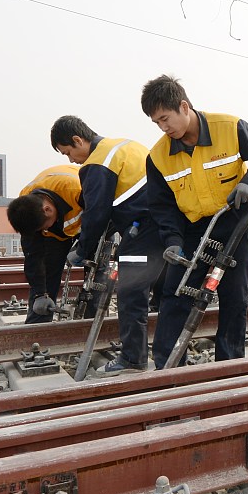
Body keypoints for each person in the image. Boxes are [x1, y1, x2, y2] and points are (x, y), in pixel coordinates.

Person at [141, 75, 248, 369]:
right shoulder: (158, 156)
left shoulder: (229, 127)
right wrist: (173, 241)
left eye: (166, 119)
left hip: (235, 224)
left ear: (184, 106)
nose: (163, 128)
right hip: (193, 230)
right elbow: (162, 206)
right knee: (176, 292)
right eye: (157, 123)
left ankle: (228, 368)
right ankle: (169, 367)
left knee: (234, 298)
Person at [53, 115, 164, 373]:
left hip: (142, 231)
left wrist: (82, 250)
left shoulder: (96, 163)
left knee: (131, 291)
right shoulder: (125, 145)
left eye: (68, 152)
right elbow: (125, 197)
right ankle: (168, 358)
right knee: (164, 291)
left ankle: (133, 359)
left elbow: (96, 213)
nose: (71, 160)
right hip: (166, 227)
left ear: (78, 140)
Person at [7, 164, 83, 322]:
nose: (45, 230)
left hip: (89, 223)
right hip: (60, 230)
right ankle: (38, 326)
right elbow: (33, 255)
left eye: (45, 226)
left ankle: (92, 320)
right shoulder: (25, 207)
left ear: (47, 210)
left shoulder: (78, 189)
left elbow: (100, 217)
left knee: (97, 274)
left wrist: (84, 247)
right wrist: (40, 294)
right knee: (47, 269)